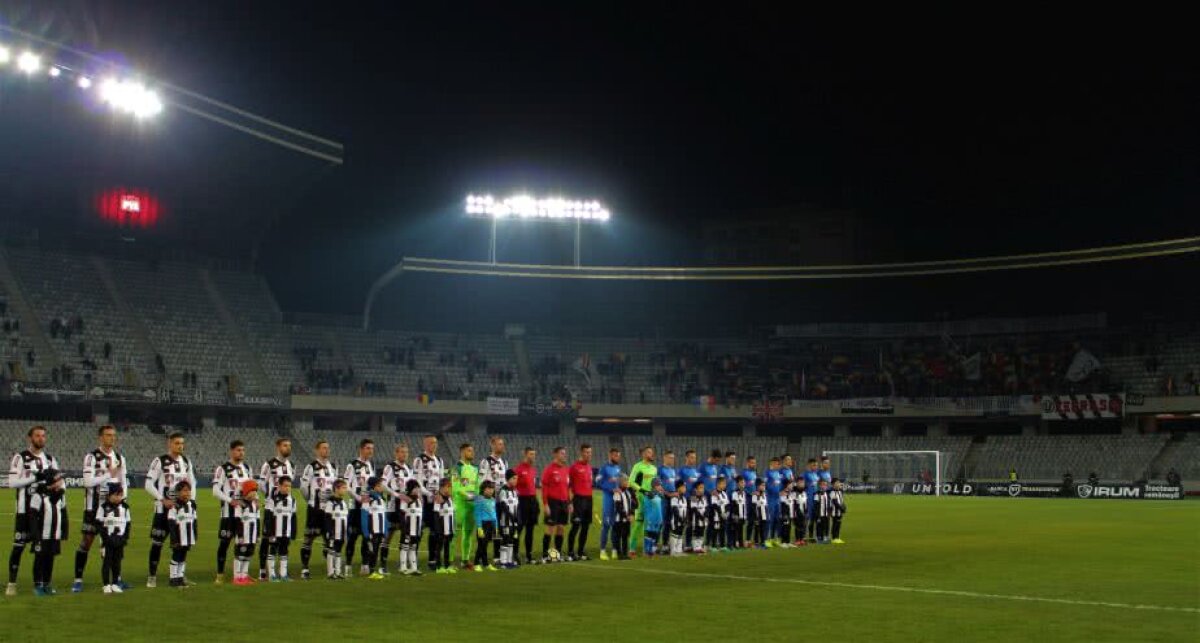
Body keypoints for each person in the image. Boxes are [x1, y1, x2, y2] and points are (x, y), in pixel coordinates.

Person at [74, 424, 128, 593]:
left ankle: (116, 580)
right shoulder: (91, 457)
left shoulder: (119, 458)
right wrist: (108, 474)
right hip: (93, 507)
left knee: (114, 545)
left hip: (113, 509)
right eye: (108, 435)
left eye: (113, 435)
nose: (111, 438)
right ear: (100, 437)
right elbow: (87, 482)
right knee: (86, 542)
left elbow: (123, 482)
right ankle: (78, 580)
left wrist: (122, 500)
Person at [8, 425, 59, 597]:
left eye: (43, 435)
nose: (41, 438)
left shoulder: (50, 460)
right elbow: (12, 482)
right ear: (30, 438)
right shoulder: (20, 457)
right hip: (24, 512)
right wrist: (35, 477)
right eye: (37, 435)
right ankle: (12, 584)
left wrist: (54, 486)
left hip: (44, 513)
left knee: (43, 550)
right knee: (18, 547)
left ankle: (41, 584)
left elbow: (58, 482)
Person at [144, 432, 195, 588]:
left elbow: (192, 483)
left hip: (180, 511)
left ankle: (179, 575)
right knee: (157, 543)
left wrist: (191, 502)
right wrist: (162, 499)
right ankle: (152, 576)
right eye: (177, 443)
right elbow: (148, 484)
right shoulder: (160, 461)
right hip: (163, 510)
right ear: (169, 443)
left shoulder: (186, 461)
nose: (180, 446)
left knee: (182, 543)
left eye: (182, 443)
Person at [212, 440, 253, 584]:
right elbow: (215, 491)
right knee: (224, 544)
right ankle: (220, 574)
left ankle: (241, 574)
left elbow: (251, 488)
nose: (241, 453)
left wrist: (254, 499)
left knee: (242, 543)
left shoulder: (247, 468)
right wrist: (230, 501)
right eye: (238, 450)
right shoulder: (223, 469)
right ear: (231, 451)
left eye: (243, 450)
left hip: (244, 514)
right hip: (228, 514)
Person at [299, 440, 339, 580]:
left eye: (328, 448)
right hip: (315, 510)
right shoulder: (311, 467)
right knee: (309, 538)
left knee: (329, 539)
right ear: (317, 450)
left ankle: (331, 570)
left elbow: (336, 486)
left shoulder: (332, 467)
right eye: (323, 448)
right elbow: (303, 487)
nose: (326, 450)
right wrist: (311, 501)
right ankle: (305, 569)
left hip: (329, 510)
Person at [257, 438, 295, 581]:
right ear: (278, 447)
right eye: (285, 445)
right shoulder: (269, 464)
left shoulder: (291, 465)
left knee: (283, 540)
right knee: (267, 540)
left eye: (289, 445)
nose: (288, 448)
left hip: (285, 508)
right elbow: (261, 483)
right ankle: (262, 571)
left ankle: (282, 572)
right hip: (271, 508)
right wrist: (269, 496)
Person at [29, 468, 67, 596]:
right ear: (51, 481)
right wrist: (35, 536)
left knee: (50, 559)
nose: (61, 482)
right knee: (39, 559)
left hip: (54, 534)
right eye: (58, 480)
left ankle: (47, 583)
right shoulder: (38, 496)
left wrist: (64, 531)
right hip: (41, 535)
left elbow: (64, 514)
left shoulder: (60, 495)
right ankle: (38, 584)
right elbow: (32, 518)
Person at [343, 439, 376, 575]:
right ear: (361, 449)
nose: (370, 451)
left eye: (372, 448)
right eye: (368, 448)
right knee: (352, 536)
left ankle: (365, 565)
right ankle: (348, 565)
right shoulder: (352, 465)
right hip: (355, 506)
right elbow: (346, 485)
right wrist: (358, 498)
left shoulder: (371, 465)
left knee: (366, 536)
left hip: (368, 507)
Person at [412, 435, 445, 571]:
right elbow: (417, 481)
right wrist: (429, 494)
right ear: (425, 444)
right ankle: (413, 559)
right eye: (431, 443)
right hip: (423, 500)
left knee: (435, 531)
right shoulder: (419, 459)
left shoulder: (440, 460)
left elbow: (442, 480)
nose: (434, 445)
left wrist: (441, 493)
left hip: (436, 500)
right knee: (418, 531)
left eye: (435, 443)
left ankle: (432, 560)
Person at [381, 444, 414, 574]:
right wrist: (396, 494)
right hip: (393, 507)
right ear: (396, 453)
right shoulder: (390, 467)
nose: (405, 454)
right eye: (402, 452)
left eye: (406, 452)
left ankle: (402, 564)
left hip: (405, 507)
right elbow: (383, 484)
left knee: (405, 533)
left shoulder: (408, 468)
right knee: (388, 536)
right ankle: (383, 565)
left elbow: (412, 486)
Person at [95, 483, 131, 594]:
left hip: (120, 540)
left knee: (117, 562)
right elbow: (99, 523)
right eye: (116, 495)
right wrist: (105, 538)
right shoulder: (103, 507)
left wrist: (125, 538)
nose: (118, 497)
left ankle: (115, 583)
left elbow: (128, 523)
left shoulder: (125, 508)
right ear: (110, 495)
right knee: (107, 562)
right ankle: (106, 584)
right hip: (108, 540)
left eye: (120, 495)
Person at [451, 443, 480, 569]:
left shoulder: (475, 468)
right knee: (453, 534)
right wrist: (471, 496)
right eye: (469, 450)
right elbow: (456, 488)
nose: (472, 453)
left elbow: (477, 486)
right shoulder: (456, 468)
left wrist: (478, 498)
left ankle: (465, 560)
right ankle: (449, 561)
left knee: (468, 534)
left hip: (472, 506)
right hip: (460, 505)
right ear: (462, 452)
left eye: (472, 450)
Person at [264, 476, 298, 582]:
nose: (288, 488)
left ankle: (283, 574)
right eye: (285, 486)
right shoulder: (272, 500)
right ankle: (272, 575)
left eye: (289, 486)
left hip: (286, 532)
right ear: (279, 486)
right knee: (273, 550)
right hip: (275, 532)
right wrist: (268, 532)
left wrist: (293, 532)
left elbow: (293, 517)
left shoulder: (292, 500)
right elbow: (268, 516)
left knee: (284, 551)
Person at [540, 446, 571, 563]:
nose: (564, 455)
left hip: (564, 502)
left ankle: (557, 555)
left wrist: (569, 502)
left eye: (564, 453)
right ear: (555, 454)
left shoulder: (565, 469)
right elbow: (544, 488)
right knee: (550, 528)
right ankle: (544, 555)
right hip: (553, 502)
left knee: (561, 528)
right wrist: (545, 504)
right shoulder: (549, 470)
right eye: (562, 453)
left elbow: (566, 488)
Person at [627, 445, 658, 556]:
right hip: (640, 499)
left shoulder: (654, 468)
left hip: (651, 499)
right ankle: (632, 549)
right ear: (643, 454)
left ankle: (647, 549)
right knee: (638, 524)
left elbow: (655, 483)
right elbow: (631, 482)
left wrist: (656, 491)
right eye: (649, 452)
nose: (651, 454)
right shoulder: (637, 467)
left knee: (649, 525)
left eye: (652, 452)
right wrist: (642, 491)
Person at [166, 481, 198, 588]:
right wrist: (174, 539)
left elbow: (194, 521)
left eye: (189, 490)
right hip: (178, 536)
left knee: (183, 557)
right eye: (184, 490)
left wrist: (195, 535)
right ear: (178, 492)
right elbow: (171, 523)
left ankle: (180, 577)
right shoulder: (175, 506)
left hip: (188, 537)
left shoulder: (192, 505)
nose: (187, 493)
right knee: (176, 556)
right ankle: (173, 578)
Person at [567, 443, 595, 561]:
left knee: (585, 527)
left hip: (588, 500)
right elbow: (567, 486)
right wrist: (569, 502)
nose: (589, 454)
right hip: (578, 500)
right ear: (582, 453)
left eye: (590, 452)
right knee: (575, 526)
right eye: (587, 452)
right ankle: (570, 552)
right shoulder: (574, 467)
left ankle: (580, 551)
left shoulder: (589, 467)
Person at [232, 479, 261, 585]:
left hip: (252, 536)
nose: (254, 493)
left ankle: (244, 576)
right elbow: (237, 521)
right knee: (240, 555)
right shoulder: (240, 504)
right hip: (243, 536)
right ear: (246, 491)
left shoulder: (255, 505)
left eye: (255, 491)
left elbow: (258, 521)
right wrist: (240, 535)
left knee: (248, 555)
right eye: (252, 491)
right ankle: (237, 577)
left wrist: (257, 535)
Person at [596, 447, 623, 560]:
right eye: (616, 455)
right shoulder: (604, 468)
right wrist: (610, 489)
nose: (618, 458)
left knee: (615, 525)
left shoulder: (618, 468)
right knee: (606, 525)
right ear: (611, 455)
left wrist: (620, 488)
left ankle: (614, 549)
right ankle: (602, 551)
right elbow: (597, 482)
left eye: (619, 456)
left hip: (617, 500)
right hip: (608, 499)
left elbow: (618, 482)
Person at [514, 448, 539, 565]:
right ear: (525, 454)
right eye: (531, 454)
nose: (533, 456)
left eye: (534, 454)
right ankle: (515, 555)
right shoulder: (518, 469)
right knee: (518, 529)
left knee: (530, 529)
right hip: (522, 501)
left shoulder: (533, 469)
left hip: (532, 500)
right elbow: (513, 486)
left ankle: (529, 556)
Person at [321, 479, 351, 579]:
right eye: (343, 488)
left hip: (342, 533)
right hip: (334, 532)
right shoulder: (330, 503)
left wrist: (347, 531)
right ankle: (330, 572)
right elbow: (327, 518)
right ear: (336, 489)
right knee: (331, 550)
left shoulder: (344, 503)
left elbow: (346, 518)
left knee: (338, 551)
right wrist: (329, 531)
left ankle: (338, 572)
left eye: (345, 488)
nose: (345, 490)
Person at [361, 477, 389, 580]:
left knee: (376, 550)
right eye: (379, 485)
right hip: (372, 530)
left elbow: (384, 516)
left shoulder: (382, 499)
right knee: (372, 551)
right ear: (374, 487)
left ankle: (373, 570)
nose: (382, 487)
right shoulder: (367, 499)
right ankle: (371, 571)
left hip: (380, 530)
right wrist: (366, 533)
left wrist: (386, 530)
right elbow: (364, 516)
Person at [396, 479, 424, 576]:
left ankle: (414, 567)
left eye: (418, 488)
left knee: (413, 547)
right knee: (405, 546)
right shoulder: (405, 498)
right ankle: (403, 567)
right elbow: (401, 513)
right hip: (408, 528)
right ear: (411, 488)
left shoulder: (419, 500)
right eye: (416, 488)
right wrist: (404, 528)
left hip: (416, 529)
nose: (418, 490)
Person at [430, 478, 457, 574]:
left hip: (450, 527)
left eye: (449, 487)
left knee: (447, 547)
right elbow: (436, 514)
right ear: (441, 487)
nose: (448, 489)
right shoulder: (438, 498)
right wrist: (438, 529)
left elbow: (452, 512)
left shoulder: (449, 498)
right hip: (442, 527)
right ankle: (438, 566)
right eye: (447, 487)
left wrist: (453, 527)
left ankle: (447, 565)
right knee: (439, 547)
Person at [496, 469, 521, 569]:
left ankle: (509, 561)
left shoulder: (515, 491)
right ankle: (503, 561)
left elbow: (517, 506)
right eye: (514, 478)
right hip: (505, 521)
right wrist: (511, 516)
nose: (516, 480)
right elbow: (503, 506)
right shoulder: (503, 491)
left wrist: (517, 518)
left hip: (513, 522)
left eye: (517, 479)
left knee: (511, 541)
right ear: (508, 479)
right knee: (505, 540)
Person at [472, 480, 499, 571]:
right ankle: (476, 563)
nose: (491, 491)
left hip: (491, 525)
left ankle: (485, 563)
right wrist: (479, 527)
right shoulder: (479, 499)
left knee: (485, 545)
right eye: (489, 488)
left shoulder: (493, 500)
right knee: (481, 545)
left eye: (492, 489)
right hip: (483, 525)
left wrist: (496, 526)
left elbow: (494, 514)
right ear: (483, 489)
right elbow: (477, 514)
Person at [656, 450, 678, 551]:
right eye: (670, 458)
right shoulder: (660, 470)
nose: (672, 460)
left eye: (673, 458)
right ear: (664, 458)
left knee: (668, 522)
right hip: (663, 499)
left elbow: (674, 485)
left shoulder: (673, 470)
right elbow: (657, 485)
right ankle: (655, 544)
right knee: (660, 522)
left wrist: (675, 493)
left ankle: (665, 543)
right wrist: (668, 494)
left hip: (672, 499)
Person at [611, 474, 636, 560]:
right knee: (618, 536)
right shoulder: (617, 493)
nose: (627, 482)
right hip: (619, 519)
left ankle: (625, 553)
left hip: (627, 519)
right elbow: (618, 507)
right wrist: (626, 516)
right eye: (625, 480)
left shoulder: (628, 492)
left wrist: (632, 514)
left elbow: (633, 504)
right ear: (621, 482)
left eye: (627, 480)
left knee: (625, 536)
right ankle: (619, 553)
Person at [764, 457, 785, 547]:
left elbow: (779, 485)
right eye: (777, 464)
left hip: (777, 500)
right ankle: (767, 539)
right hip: (770, 499)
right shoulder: (767, 473)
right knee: (770, 520)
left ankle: (773, 538)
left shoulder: (778, 474)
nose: (778, 465)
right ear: (772, 463)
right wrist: (777, 492)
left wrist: (782, 491)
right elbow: (767, 486)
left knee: (777, 519)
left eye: (779, 464)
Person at [642, 478, 664, 557]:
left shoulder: (658, 494)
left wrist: (660, 493)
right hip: (651, 518)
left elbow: (661, 499)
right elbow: (646, 504)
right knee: (650, 533)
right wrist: (649, 494)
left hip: (658, 517)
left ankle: (653, 549)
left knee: (656, 534)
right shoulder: (649, 494)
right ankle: (647, 550)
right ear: (654, 486)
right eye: (659, 485)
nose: (660, 487)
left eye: (660, 485)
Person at [687, 479, 709, 554]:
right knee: (696, 532)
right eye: (700, 488)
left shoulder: (704, 498)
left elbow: (706, 507)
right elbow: (694, 509)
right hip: (696, 519)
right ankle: (695, 547)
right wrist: (701, 517)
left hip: (703, 519)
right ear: (695, 489)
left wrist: (705, 515)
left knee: (702, 532)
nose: (702, 490)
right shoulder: (693, 498)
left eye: (703, 488)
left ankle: (700, 546)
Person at [740, 456, 759, 545]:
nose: (754, 464)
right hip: (746, 499)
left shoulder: (754, 473)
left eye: (754, 463)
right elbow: (741, 486)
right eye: (752, 462)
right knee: (744, 520)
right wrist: (749, 493)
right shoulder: (744, 473)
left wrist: (757, 492)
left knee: (752, 521)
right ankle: (740, 540)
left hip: (754, 499)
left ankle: (748, 540)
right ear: (747, 463)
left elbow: (754, 485)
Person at [708, 475, 730, 551]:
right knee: (715, 530)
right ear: (718, 484)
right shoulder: (714, 493)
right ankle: (713, 546)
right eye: (723, 483)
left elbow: (727, 504)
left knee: (722, 530)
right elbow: (714, 505)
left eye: (725, 484)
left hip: (724, 516)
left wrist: (727, 512)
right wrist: (721, 513)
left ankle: (722, 546)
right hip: (716, 516)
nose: (725, 485)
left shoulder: (724, 493)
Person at [668, 479, 688, 556]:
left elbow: (685, 510)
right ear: (678, 488)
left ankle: (679, 551)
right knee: (675, 533)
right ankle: (673, 551)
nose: (684, 489)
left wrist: (685, 519)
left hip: (682, 520)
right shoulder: (674, 498)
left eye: (685, 487)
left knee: (680, 534)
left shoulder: (684, 499)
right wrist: (680, 519)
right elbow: (674, 509)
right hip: (676, 520)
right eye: (683, 487)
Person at [802, 458, 820, 540]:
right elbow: (801, 486)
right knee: (806, 517)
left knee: (814, 517)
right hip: (808, 499)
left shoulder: (816, 474)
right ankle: (803, 535)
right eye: (814, 465)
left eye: (816, 465)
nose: (816, 467)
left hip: (815, 499)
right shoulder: (805, 475)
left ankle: (811, 535)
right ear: (809, 465)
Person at [728, 475, 747, 549]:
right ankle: (734, 543)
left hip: (742, 515)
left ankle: (741, 543)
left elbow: (744, 505)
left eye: (744, 482)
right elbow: (733, 504)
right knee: (735, 530)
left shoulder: (744, 493)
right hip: (736, 515)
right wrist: (734, 515)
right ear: (737, 484)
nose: (743, 484)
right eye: (742, 482)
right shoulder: (734, 493)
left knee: (741, 529)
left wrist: (744, 515)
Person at [750, 478, 768, 548]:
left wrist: (767, 514)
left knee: (763, 529)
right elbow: (754, 506)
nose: (764, 487)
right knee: (757, 529)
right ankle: (756, 543)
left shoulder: (764, 494)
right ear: (758, 486)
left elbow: (765, 505)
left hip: (764, 515)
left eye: (764, 485)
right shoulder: (755, 494)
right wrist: (756, 516)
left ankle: (763, 542)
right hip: (758, 515)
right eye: (762, 485)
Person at [814, 479, 832, 544]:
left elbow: (829, 504)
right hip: (820, 514)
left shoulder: (827, 494)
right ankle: (819, 537)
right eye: (822, 485)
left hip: (826, 514)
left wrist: (830, 512)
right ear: (819, 486)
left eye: (825, 485)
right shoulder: (817, 494)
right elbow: (816, 505)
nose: (824, 486)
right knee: (819, 526)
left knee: (826, 526)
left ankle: (825, 536)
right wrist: (817, 515)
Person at [829, 478, 847, 545]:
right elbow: (835, 502)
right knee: (835, 524)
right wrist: (841, 508)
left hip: (840, 512)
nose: (838, 484)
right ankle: (834, 538)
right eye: (837, 483)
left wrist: (844, 507)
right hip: (835, 512)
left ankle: (837, 537)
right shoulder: (832, 492)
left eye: (839, 483)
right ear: (833, 485)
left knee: (839, 524)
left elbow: (842, 501)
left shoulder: (840, 492)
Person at [777, 480, 794, 549]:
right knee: (784, 527)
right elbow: (783, 505)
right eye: (791, 484)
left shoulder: (790, 493)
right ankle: (783, 542)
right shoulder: (783, 493)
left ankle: (788, 542)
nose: (792, 485)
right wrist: (784, 514)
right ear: (787, 485)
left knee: (789, 527)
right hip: (785, 514)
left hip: (790, 514)